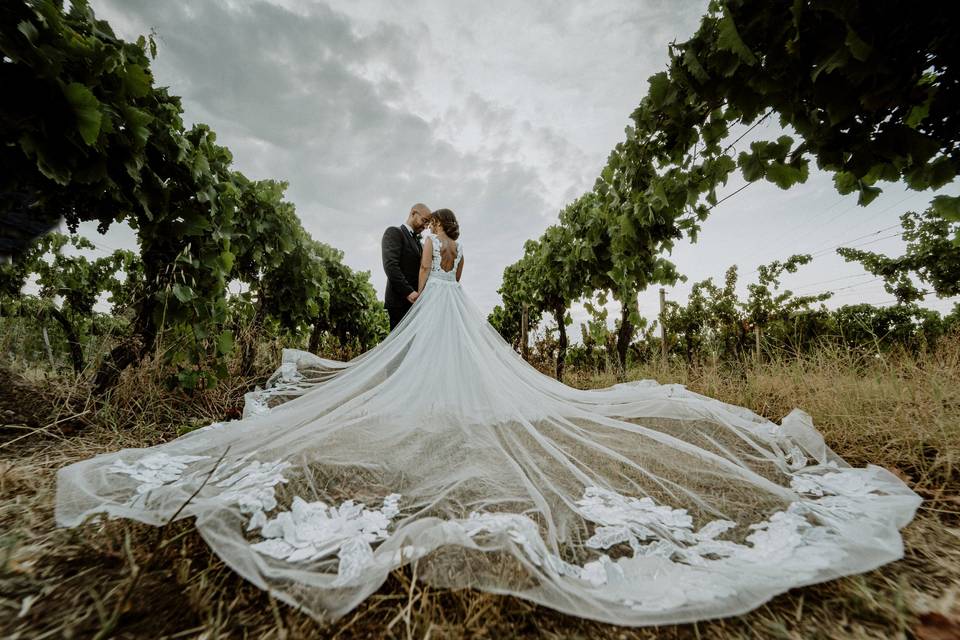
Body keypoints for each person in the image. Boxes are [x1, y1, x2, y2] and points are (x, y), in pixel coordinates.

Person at [55, 208, 921, 627]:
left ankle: (431, 409)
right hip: (456, 305)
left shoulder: (431, 247)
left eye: (429, 221)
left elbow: (431, 290)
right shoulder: (462, 246)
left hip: (436, 306)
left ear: (435, 228)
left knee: (427, 362)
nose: (426, 224)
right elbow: (458, 283)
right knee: (459, 374)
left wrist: (419, 287)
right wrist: (443, 287)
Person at [381, 203, 431, 330]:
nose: (425, 227)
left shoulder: (419, 243)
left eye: (427, 224)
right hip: (399, 302)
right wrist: (409, 292)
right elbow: (390, 266)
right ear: (413, 213)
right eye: (424, 221)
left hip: (416, 303)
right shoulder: (394, 232)